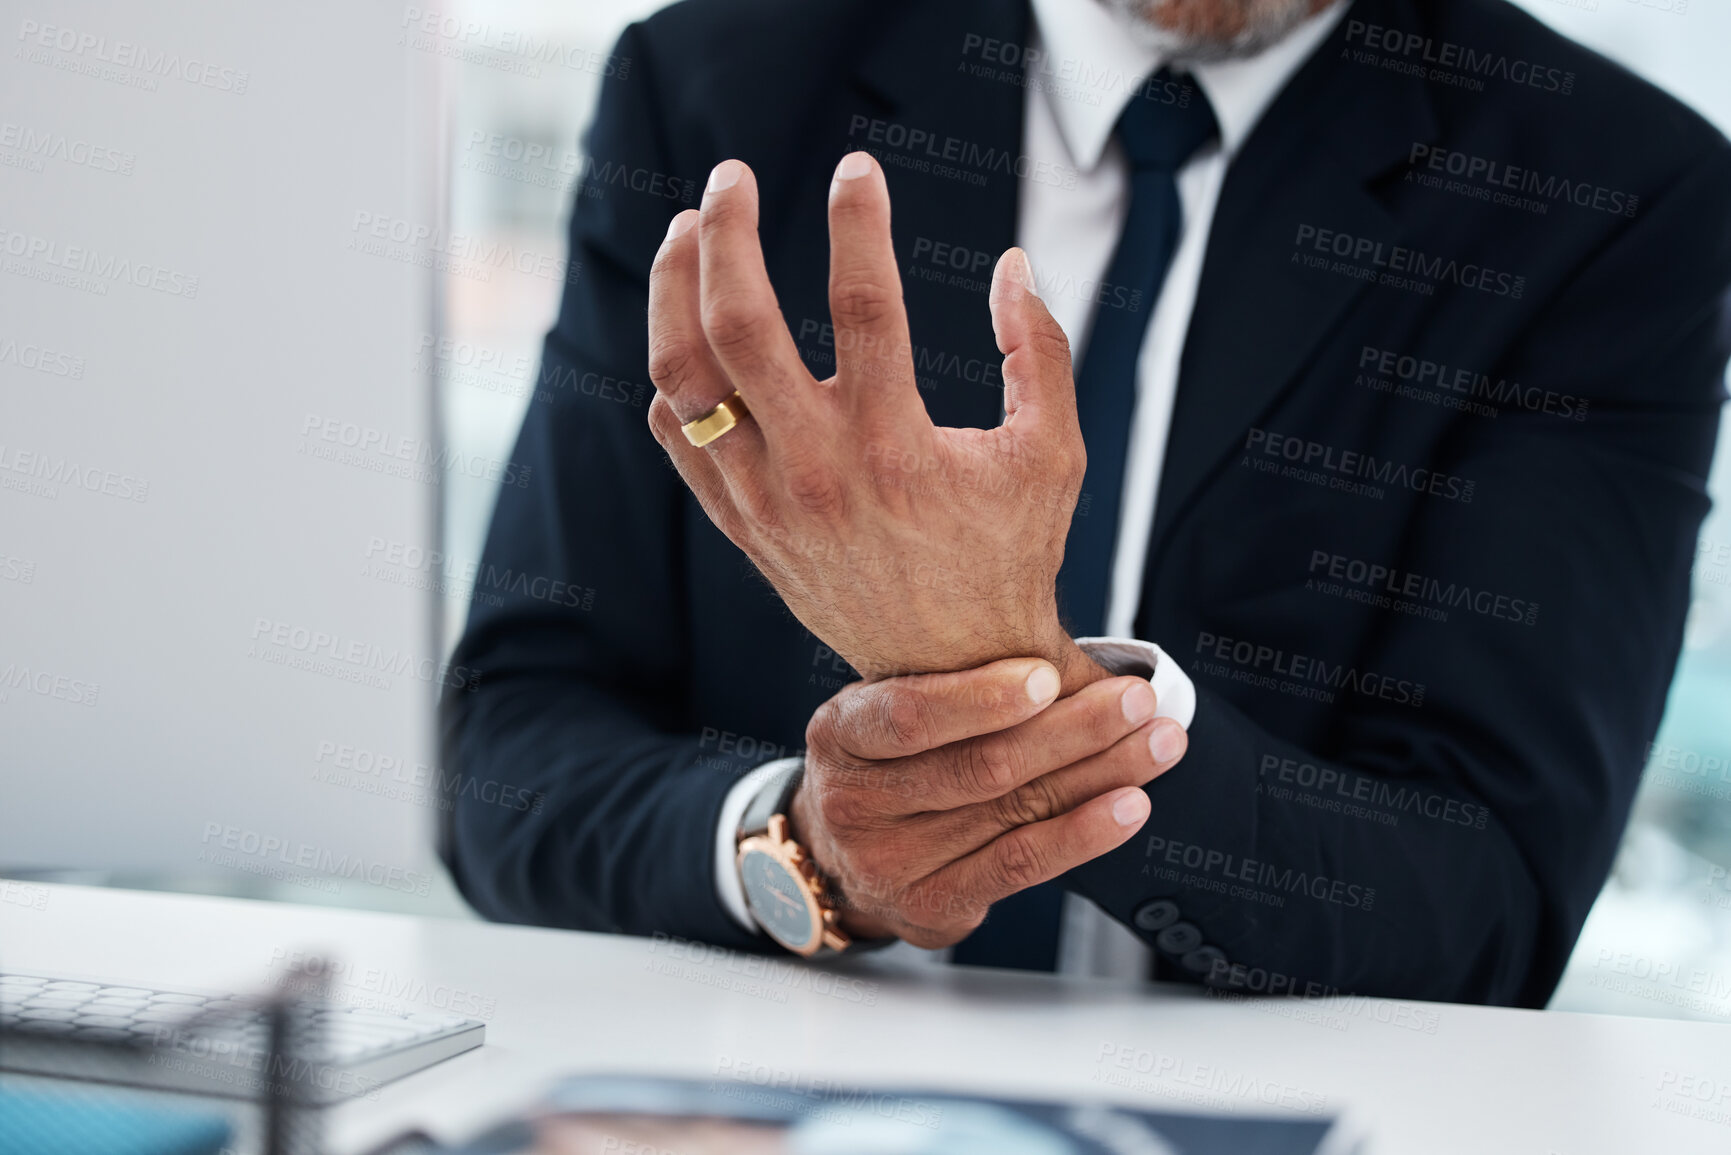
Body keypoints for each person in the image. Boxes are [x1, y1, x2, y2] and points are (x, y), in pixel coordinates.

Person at [439, 0, 1731, 1006]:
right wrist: (810, 852)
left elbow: (1488, 903)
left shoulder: (1609, 197)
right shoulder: (715, 87)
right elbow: (509, 751)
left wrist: (999, 679)